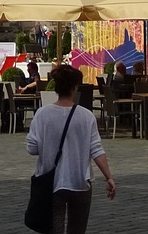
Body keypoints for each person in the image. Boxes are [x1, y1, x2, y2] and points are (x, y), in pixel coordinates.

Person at [26, 65, 116, 234]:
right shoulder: (86, 116)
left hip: (52, 183)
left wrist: (48, 146)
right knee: (78, 229)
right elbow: (96, 149)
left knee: (54, 228)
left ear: (56, 88)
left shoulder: (42, 114)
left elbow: (32, 148)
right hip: (80, 181)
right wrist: (109, 177)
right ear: (75, 88)